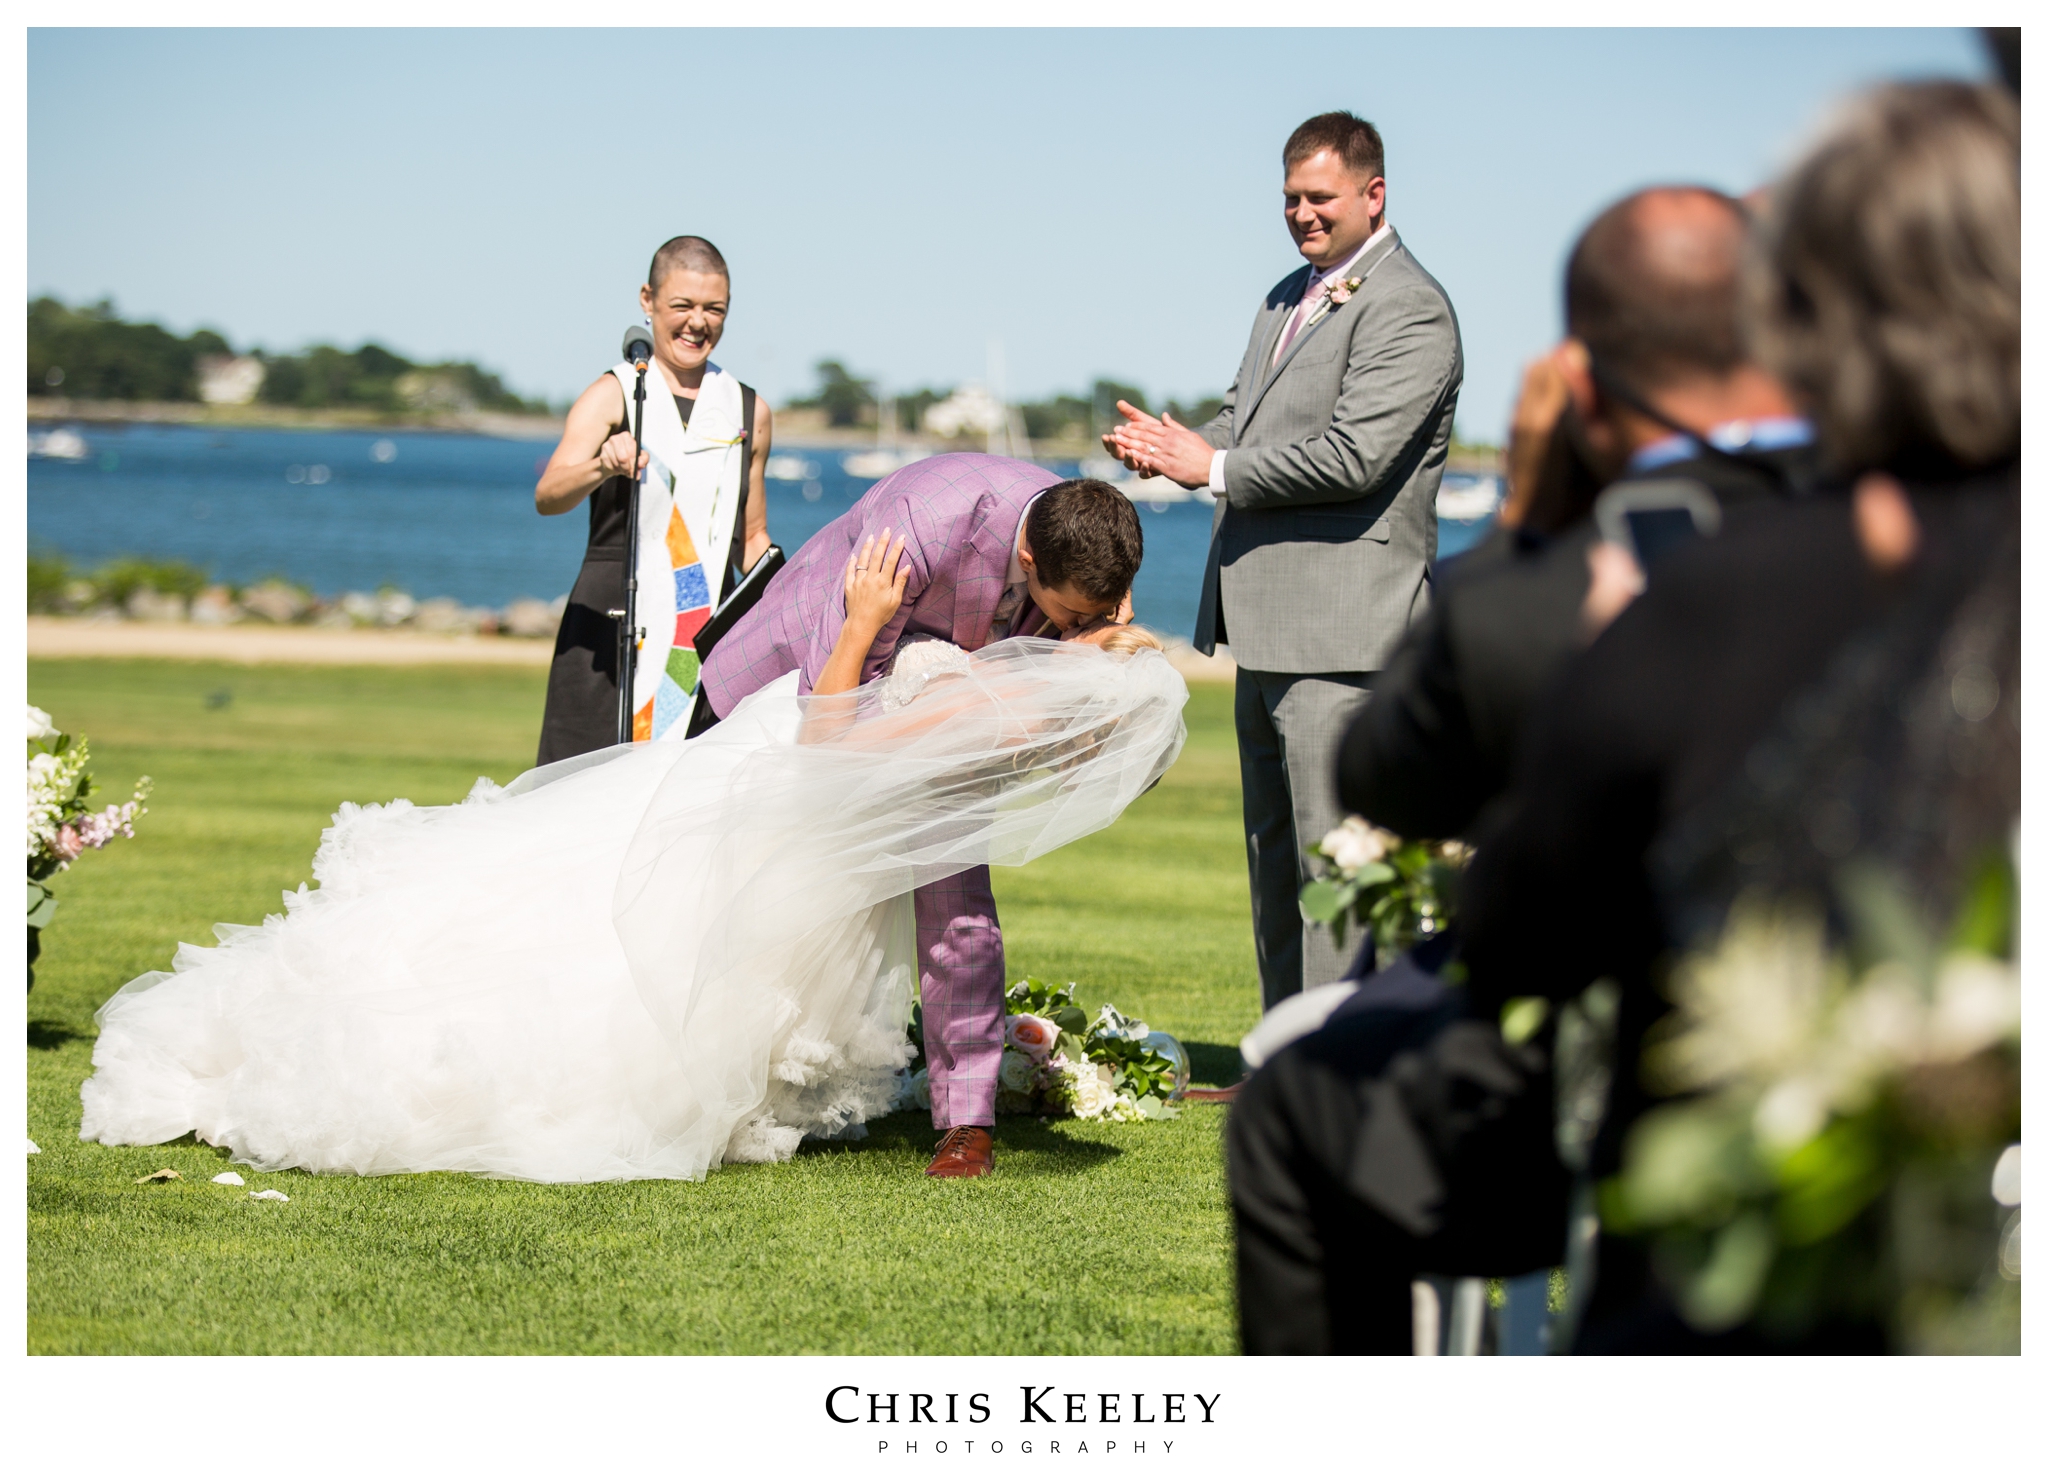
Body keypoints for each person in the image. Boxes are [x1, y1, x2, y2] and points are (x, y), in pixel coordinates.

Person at [77, 527, 1188, 1184]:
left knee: (616, 917)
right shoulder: (1022, 692)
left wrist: (856, 623)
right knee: (606, 916)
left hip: (786, 766)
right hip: (768, 784)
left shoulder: (988, 708)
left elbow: (835, 731)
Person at [1457, 80, 2018, 1351]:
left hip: (1762, 1295)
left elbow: (1516, 930)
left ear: (1816, 325)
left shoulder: (1739, 588)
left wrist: (1602, 659)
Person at [1224, 182, 1817, 1355]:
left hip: (1606, 1095)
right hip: (1903, 1079)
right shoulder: (1940, 550)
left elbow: (1391, 790)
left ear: (1583, 379)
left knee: (1296, 1109)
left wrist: (1538, 527)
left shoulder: (1536, 600)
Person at [699, 455, 1144, 1178]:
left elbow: (1090, 618)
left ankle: (967, 1123)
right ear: (1028, 558)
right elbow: (832, 719)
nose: (1079, 631)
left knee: (961, 907)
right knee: (751, 890)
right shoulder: (915, 532)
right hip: (808, 685)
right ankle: (716, 1075)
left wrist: (1083, 662)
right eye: (1070, 615)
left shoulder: (1085, 541)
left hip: (945, 723)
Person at [1105, 110, 1463, 1010]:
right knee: (1274, 854)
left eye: (1320, 197)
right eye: (1291, 198)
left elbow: (1356, 457)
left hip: (1346, 629)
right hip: (1264, 622)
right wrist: (1175, 447)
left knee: (1331, 859)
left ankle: (1329, 1062)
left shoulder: (1410, 306)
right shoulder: (1282, 296)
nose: (1302, 214)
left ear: (1374, 194)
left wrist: (1215, 466)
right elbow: (1248, 425)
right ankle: (1280, 1049)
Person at [1338, 186, 1819, 846]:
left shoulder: (1512, 620)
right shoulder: (1915, 540)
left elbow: (1378, 777)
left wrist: (1521, 523)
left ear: (1579, 391)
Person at [532, 236, 775, 765]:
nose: (698, 323)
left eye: (715, 309)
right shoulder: (614, 393)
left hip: (702, 638)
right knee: (573, 804)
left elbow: (752, 538)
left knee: (684, 810)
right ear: (648, 300)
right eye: (682, 306)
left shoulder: (748, 410)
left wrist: (780, 617)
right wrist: (602, 466)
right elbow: (548, 496)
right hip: (608, 626)